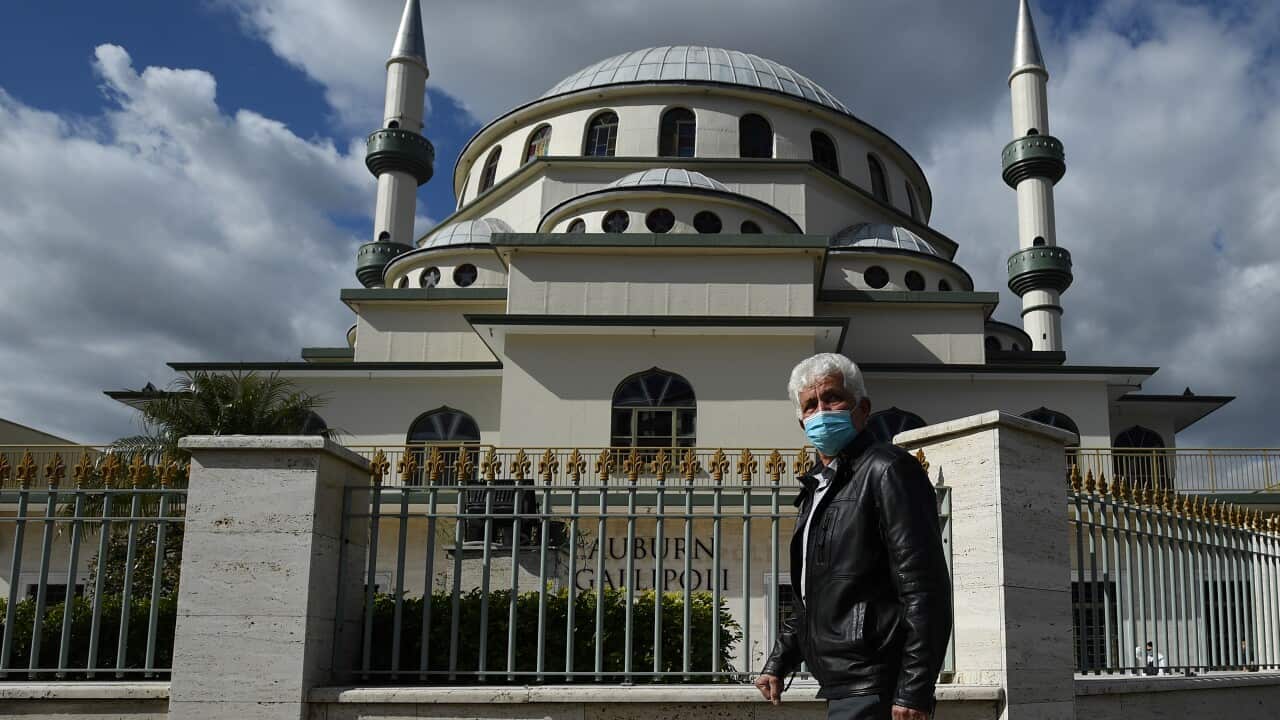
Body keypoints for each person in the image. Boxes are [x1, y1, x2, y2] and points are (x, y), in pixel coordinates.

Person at [755, 353, 952, 720]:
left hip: (877, 682)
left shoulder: (888, 470)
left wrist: (914, 689)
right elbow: (812, 594)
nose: (821, 411)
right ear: (801, 421)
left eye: (833, 398)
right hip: (843, 683)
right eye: (810, 405)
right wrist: (779, 660)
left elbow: (925, 589)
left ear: (862, 409)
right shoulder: (817, 487)